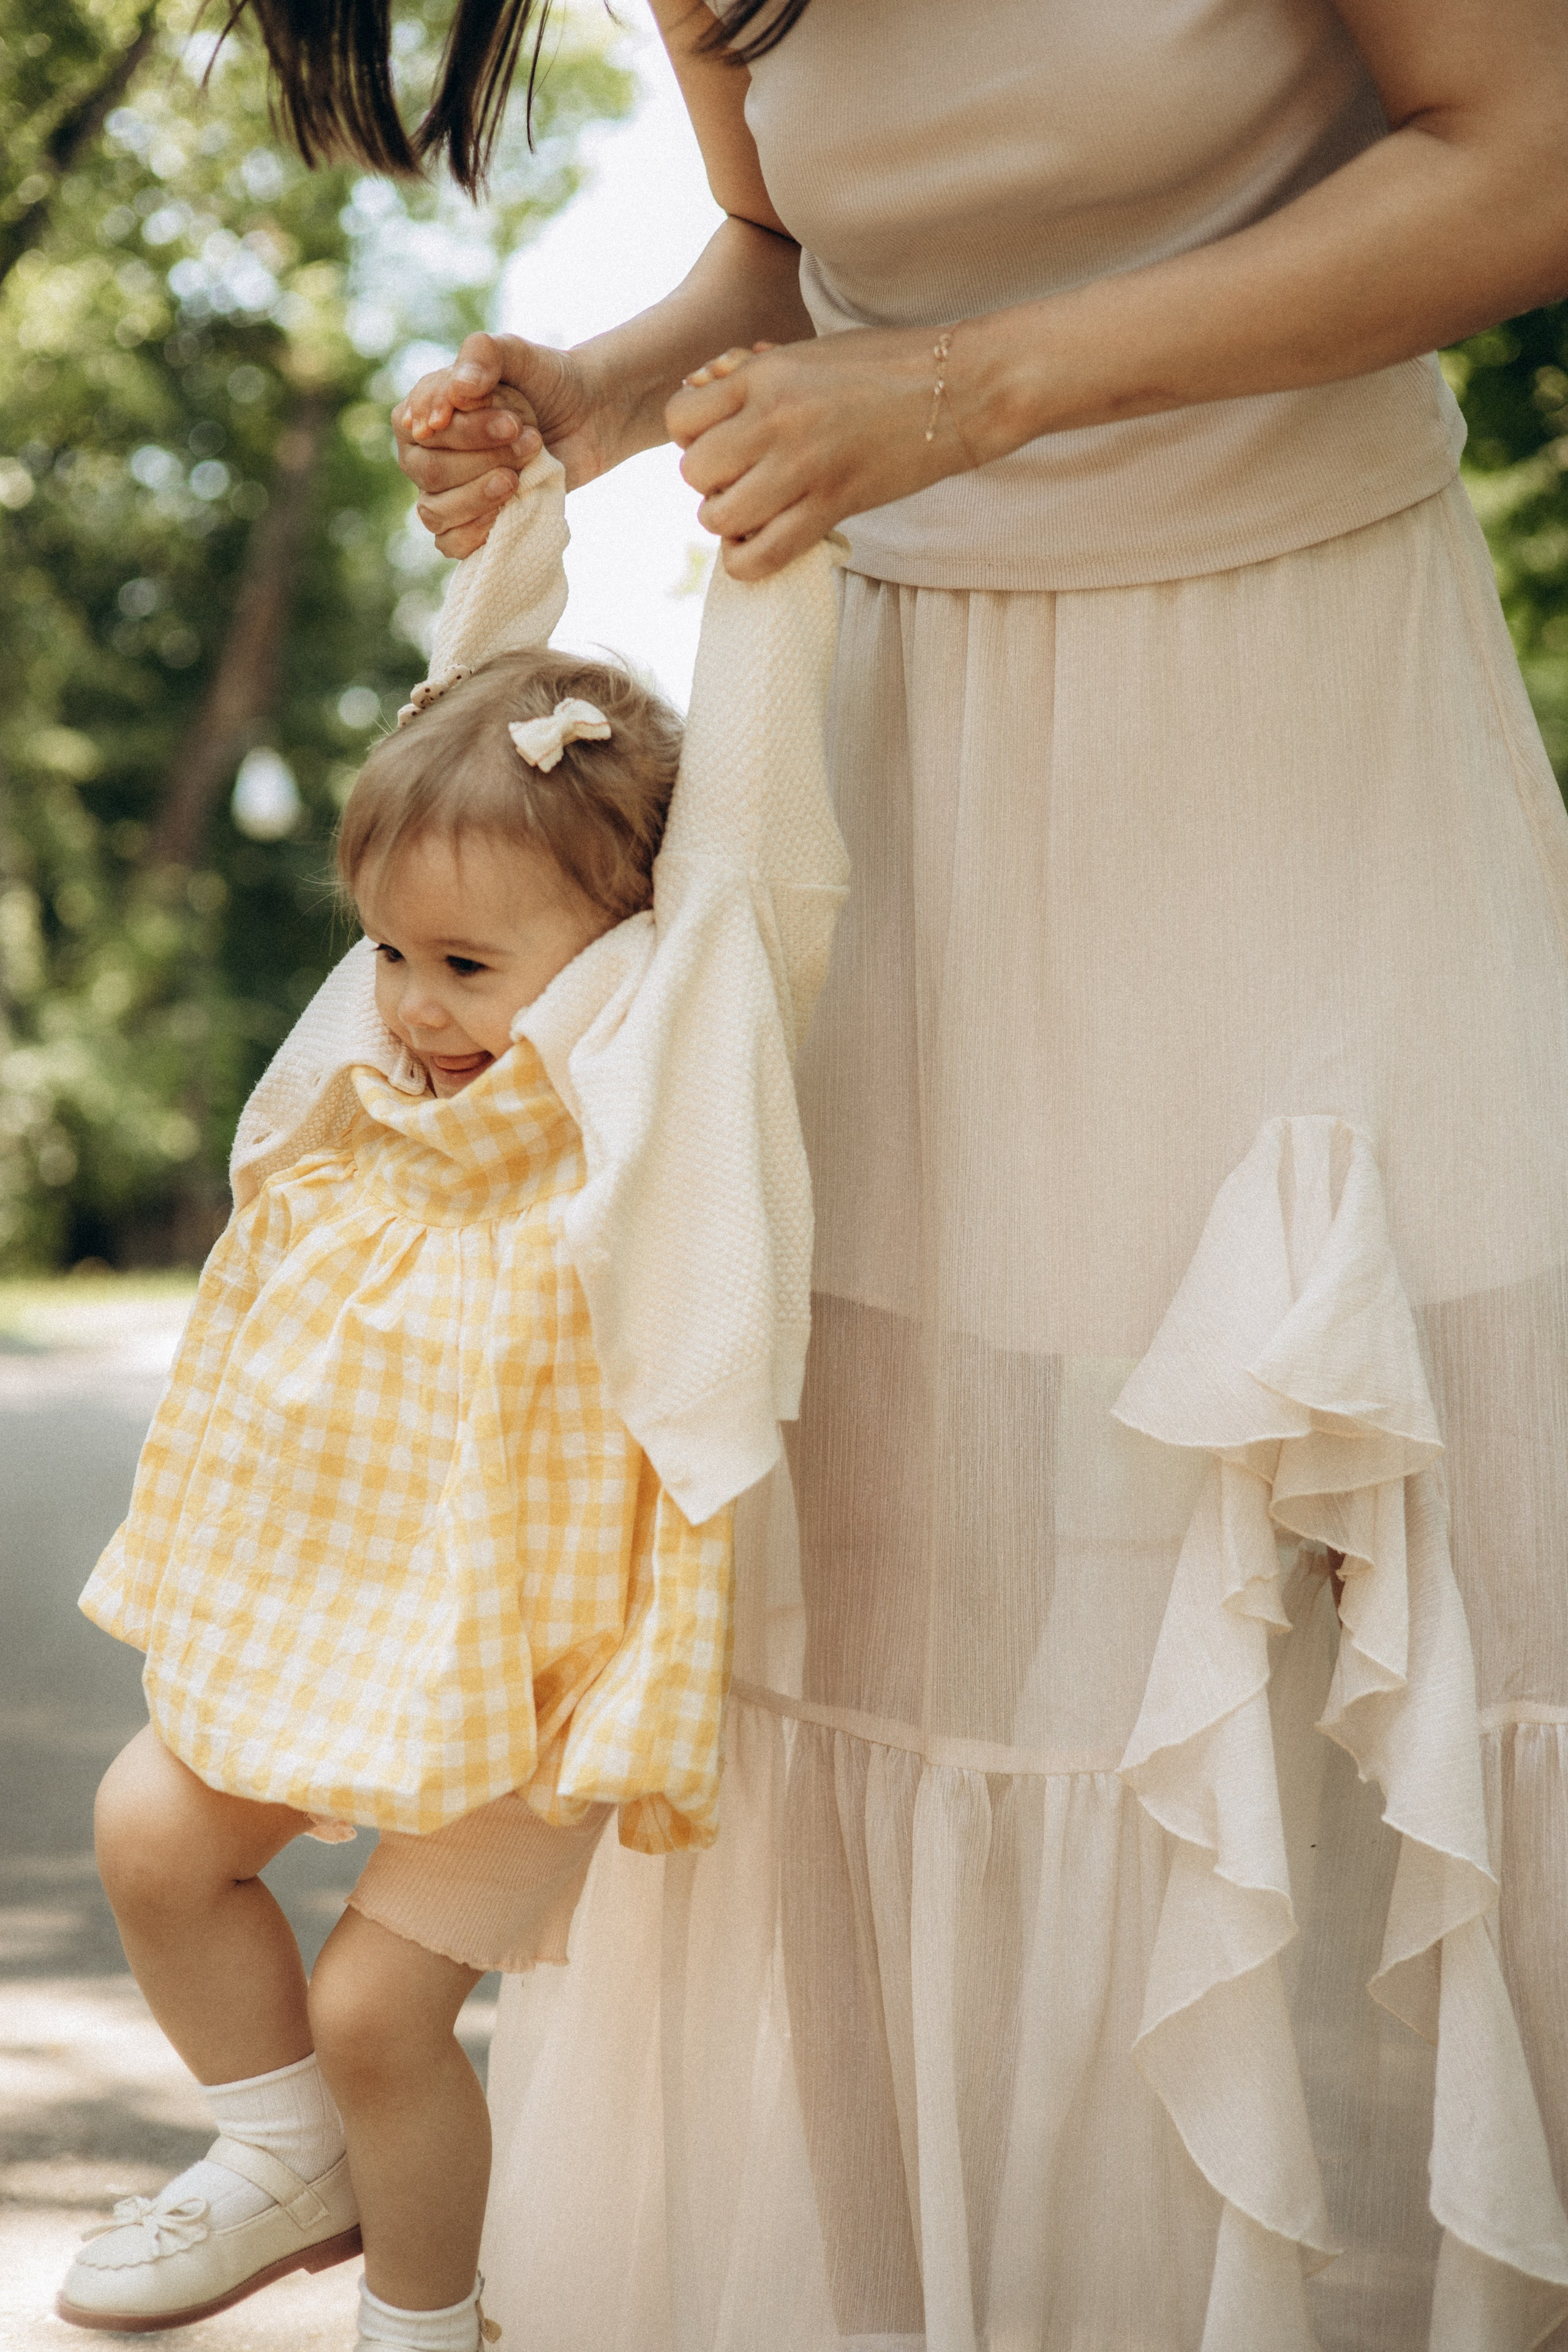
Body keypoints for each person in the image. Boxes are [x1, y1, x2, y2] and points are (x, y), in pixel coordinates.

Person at [159, 0, 1568, 2342]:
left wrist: (972, 392)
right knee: (866, 1590)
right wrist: (597, 403)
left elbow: (1528, 152)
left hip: (1296, 705)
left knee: (1449, 1552)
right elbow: (788, 248)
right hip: (879, 757)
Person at [56, 464, 752, 2350]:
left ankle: (428, 2320)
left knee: (377, 2007)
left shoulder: (627, 1117)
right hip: (341, 1617)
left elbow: (742, 915)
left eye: (469, 969)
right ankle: (283, 2157)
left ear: (613, 963)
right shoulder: (368, 1110)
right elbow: (460, 733)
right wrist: (511, 514)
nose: (417, 1008)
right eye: (387, 954)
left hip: (541, 1669)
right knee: (150, 1830)